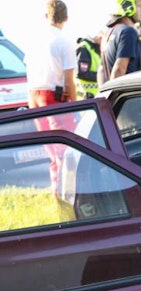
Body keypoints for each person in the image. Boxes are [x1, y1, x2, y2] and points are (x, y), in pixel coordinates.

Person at [24, 0, 78, 195]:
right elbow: (69, 81)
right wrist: (77, 105)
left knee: (50, 149)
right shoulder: (64, 42)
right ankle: (68, 191)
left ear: (45, 16)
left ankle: (56, 189)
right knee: (65, 146)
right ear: (66, 18)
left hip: (34, 95)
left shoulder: (34, 40)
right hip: (54, 97)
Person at [99, 0, 141, 85]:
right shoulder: (128, 32)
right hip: (127, 95)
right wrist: (112, 96)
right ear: (128, 6)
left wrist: (103, 94)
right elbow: (120, 69)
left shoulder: (108, 33)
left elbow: (101, 70)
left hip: (111, 94)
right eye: (139, 6)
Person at [75, 34, 101, 99]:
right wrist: (103, 76)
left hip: (95, 96)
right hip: (86, 96)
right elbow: (83, 73)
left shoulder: (95, 49)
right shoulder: (84, 48)